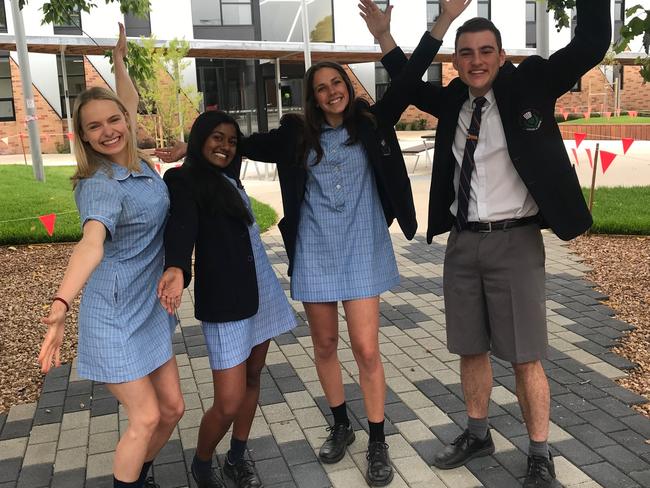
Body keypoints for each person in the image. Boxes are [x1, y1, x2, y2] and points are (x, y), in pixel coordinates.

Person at [360, 0, 611, 486]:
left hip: (515, 244)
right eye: (466, 53)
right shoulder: (455, 98)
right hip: (462, 243)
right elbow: (408, 83)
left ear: (501, 57)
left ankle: (540, 451)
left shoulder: (531, 84)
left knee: (524, 354)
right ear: (456, 60)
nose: (476, 61)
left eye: (486, 51)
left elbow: (591, 44)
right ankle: (478, 433)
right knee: (470, 349)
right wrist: (391, 36)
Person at [38, 23, 184, 488]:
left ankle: (137, 476)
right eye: (94, 127)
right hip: (115, 315)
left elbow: (130, 101)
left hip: (149, 306)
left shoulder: (136, 161)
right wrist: (60, 306)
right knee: (144, 418)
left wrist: (120, 62)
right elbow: (91, 244)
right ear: (82, 137)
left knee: (174, 409)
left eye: (114, 120)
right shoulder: (101, 185)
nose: (108, 131)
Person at [157, 110, 297, 488]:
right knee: (228, 401)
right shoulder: (183, 178)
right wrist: (176, 267)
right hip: (225, 300)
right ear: (200, 137)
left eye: (232, 141)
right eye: (216, 137)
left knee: (254, 377)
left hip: (260, 288)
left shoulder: (230, 177)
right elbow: (182, 225)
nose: (225, 146)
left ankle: (237, 457)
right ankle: (202, 463)